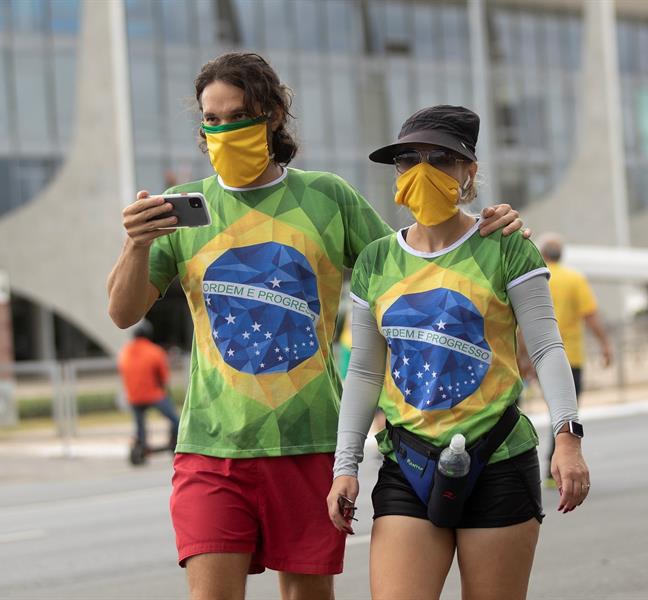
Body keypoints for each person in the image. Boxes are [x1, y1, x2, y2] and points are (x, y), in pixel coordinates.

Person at [107, 52, 526, 600]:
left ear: (274, 114)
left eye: (238, 116)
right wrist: (136, 245)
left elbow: (413, 271)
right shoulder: (184, 211)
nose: (224, 130)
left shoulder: (328, 197)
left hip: (309, 445)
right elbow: (122, 312)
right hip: (213, 445)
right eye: (212, 120)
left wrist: (489, 230)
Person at [327, 105, 590, 600]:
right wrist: (345, 468)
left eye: (441, 159)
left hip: (498, 461)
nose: (423, 171)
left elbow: (548, 346)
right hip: (407, 464)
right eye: (409, 160)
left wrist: (569, 437)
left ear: (469, 171)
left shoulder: (506, 247)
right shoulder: (376, 260)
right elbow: (364, 372)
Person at [521, 233, 612, 488]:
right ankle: (555, 466)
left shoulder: (531, 274)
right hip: (568, 356)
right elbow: (590, 315)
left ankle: (523, 466)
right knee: (564, 413)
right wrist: (605, 344)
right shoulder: (574, 279)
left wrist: (522, 357)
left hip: (534, 357)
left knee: (522, 410)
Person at [118, 319, 179, 455]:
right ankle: (174, 441)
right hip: (153, 395)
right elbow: (163, 378)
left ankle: (141, 443)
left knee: (140, 424)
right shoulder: (154, 351)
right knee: (175, 420)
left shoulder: (124, 352)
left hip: (133, 397)